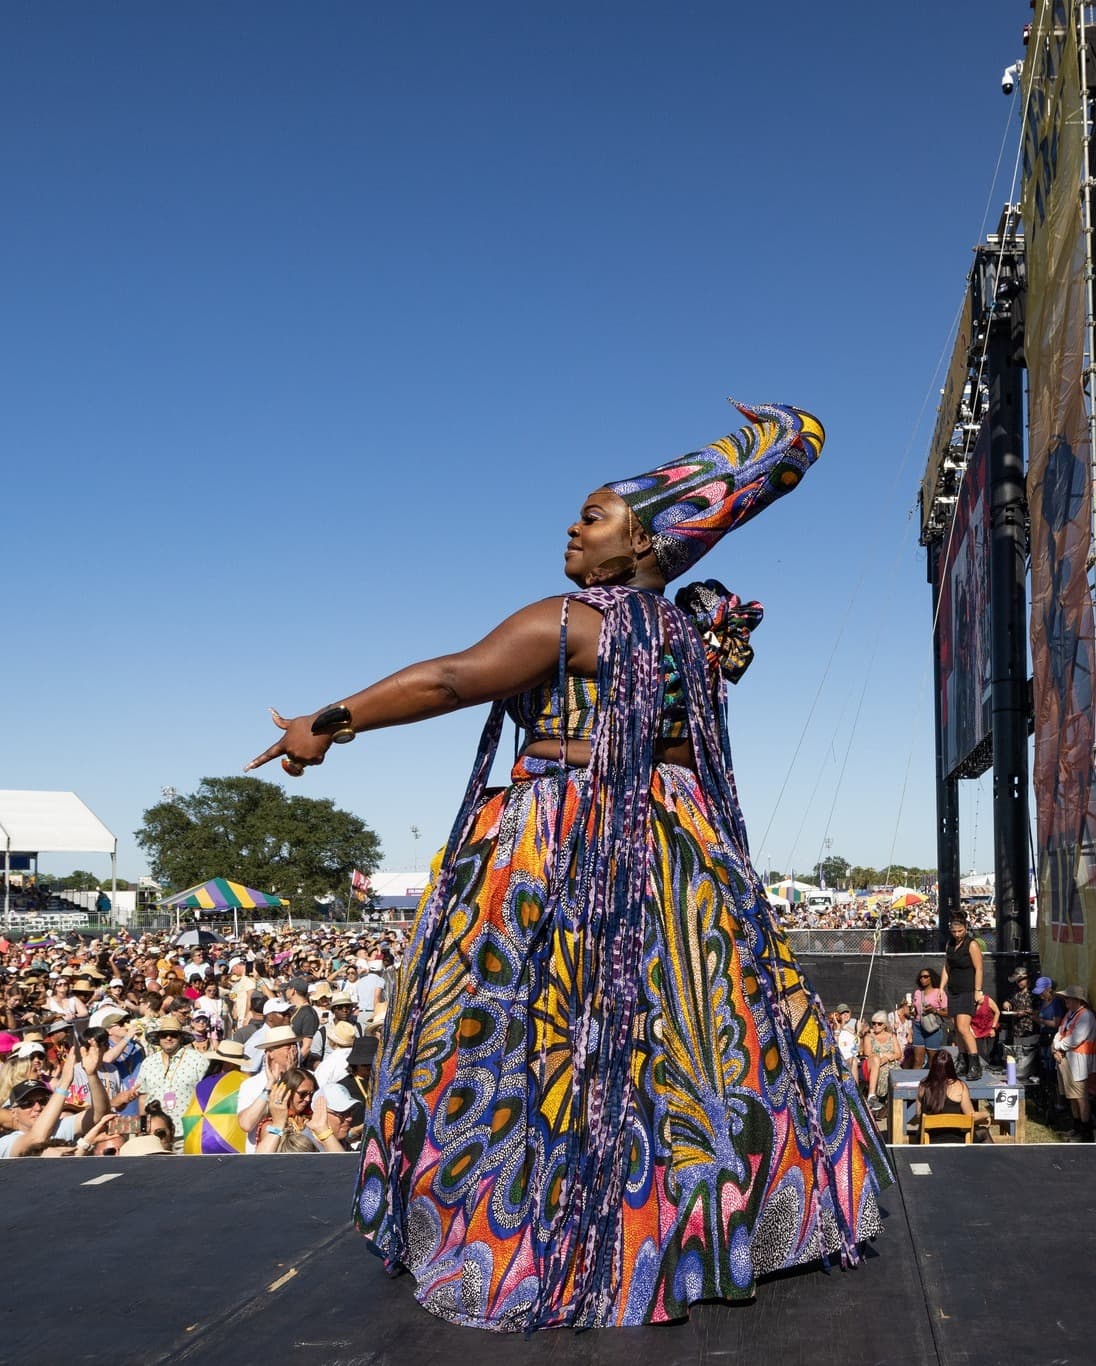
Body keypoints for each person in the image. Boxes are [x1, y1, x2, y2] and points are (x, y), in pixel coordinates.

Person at [247, 401, 892, 1330]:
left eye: (592, 516)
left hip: (566, 844)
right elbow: (674, 752)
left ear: (639, 545)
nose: (572, 527)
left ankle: (543, 1236)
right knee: (683, 1045)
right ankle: (698, 1232)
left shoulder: (577, 620)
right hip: (681, 850)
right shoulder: (686, 640)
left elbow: (451, 678)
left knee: (530, 1040)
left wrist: (329, 723)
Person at [940, 912, 984, 1080]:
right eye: (954, 931)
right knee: (957, 1027)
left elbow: (979, 968)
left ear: (965, 928)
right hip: (953, 989)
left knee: (964, 1027)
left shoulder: (971, 945)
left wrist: (978, 990)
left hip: (967, 990)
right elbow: (947, 967)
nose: (957, 934)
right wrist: (941, 987)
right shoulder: (949, 944)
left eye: (960, 931)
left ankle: (975, 1064)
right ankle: (963, 1060)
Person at [1050, 985, 1096, 1142]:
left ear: (1077, 1000)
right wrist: (1055, 1046)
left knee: (1080, 1097)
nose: (1065, 1001)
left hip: (1079, 1063)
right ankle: (1077, 1128)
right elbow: (1060, 1031)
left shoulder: (1086, 1016)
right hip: (1066, 1059)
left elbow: (1076, 1039)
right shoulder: (1071, 1014)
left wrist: (1057, 1046)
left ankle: (1086, 1132)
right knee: (1071, 1096)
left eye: (1068, 998)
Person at [916, 1050, 992, 1143]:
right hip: (955, 1139)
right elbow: (971, 1116)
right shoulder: (960, 1086)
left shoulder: (923, 1086)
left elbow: (919, 1113)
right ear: (951, 1067)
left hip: (927, 1138)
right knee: (984, 1132)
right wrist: (986, 1114)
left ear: (933, 1066)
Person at [858, 1011, 903, 1114]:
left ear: (884, 1025)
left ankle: (896, 1104)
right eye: (873, 1023)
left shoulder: (892, 1036)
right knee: (884, 1072)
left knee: (898, 1073)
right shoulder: (869, 1036)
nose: (876, 1026)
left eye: (879, 1023)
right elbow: (868, 1053)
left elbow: (898, 1054)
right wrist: (885, 1056)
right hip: (874, 1064)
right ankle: (876, 1100)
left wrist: (887, 1059)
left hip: (891, 1063)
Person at [910, 967, 948, 1068]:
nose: (923, 979)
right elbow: (915, 1011)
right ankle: (916, 1082)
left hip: (933, 1028)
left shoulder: (939, 993)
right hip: (918, 1026)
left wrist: (934, 1010)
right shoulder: (918, 992)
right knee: (918, 1060)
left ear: (931, 978)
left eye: (926, 976)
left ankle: (932, 1082)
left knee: (932, 1060)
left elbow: (947, 1012)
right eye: (921, 977)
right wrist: (911, 1011)